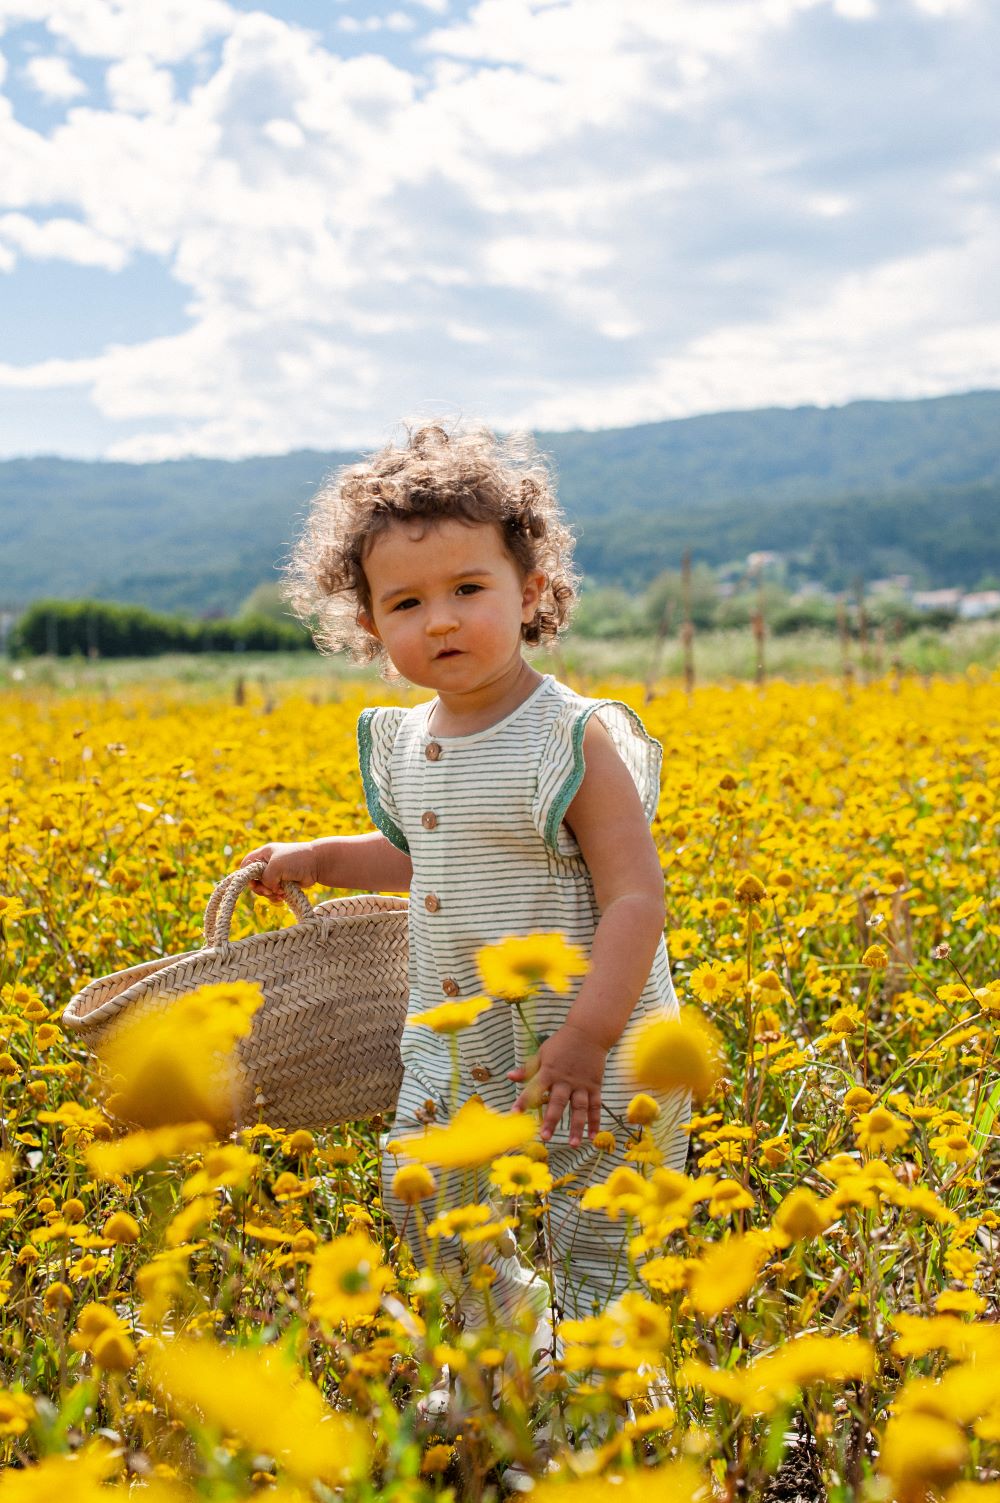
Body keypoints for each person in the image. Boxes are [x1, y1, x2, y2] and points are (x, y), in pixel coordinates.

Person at [240, 422, 687, 1349]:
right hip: (456, 1032)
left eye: (469, 589)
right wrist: (320, 858)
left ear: (532, 593)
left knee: (596, 1225)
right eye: (405, 603)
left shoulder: (574, 739)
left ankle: (602, 1384)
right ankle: (507, 1340)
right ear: (369, 626)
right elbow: (427, 855)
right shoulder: (408, 740)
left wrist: (588, 1035)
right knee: (424, 1195)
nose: (439, 619)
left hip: (593, 1039)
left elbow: (638, 898)